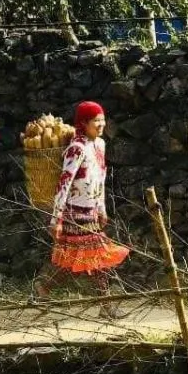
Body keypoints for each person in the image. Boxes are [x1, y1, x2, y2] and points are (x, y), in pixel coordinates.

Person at [41, 100, 130, 308]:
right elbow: (64, 183)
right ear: (83, 123)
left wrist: (102, 208)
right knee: (93, 256)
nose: (101, 124)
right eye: (95, 121)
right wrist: (56, 219)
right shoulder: (76, 148)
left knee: (81, 258)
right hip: (74, 212)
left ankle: (44, 287)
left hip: (91, 211)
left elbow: (101, 177)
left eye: (102, 120)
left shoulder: (100, 144)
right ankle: (106, 304)